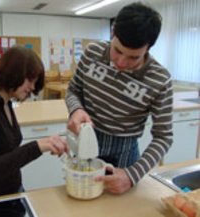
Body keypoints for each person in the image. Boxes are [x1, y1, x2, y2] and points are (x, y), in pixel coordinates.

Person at [65, 2, 173, 194]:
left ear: (148, 48)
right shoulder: (92, 53)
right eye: (117, 50)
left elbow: (163, 137)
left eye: (134, 57)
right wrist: (76, 109)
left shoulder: (160, 79)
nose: (121, 62)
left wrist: (132, 175)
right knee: (82, 199)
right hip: (86, 141)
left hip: (125, 154)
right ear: (113, 32)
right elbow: (73, 90)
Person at [0, 46, 68, 200]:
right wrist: (36, 147)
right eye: (30, 80)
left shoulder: (6, 104)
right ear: (14, 72)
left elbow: (8, 154)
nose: (32, 87)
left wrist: (46, 142)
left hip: (12, 191)